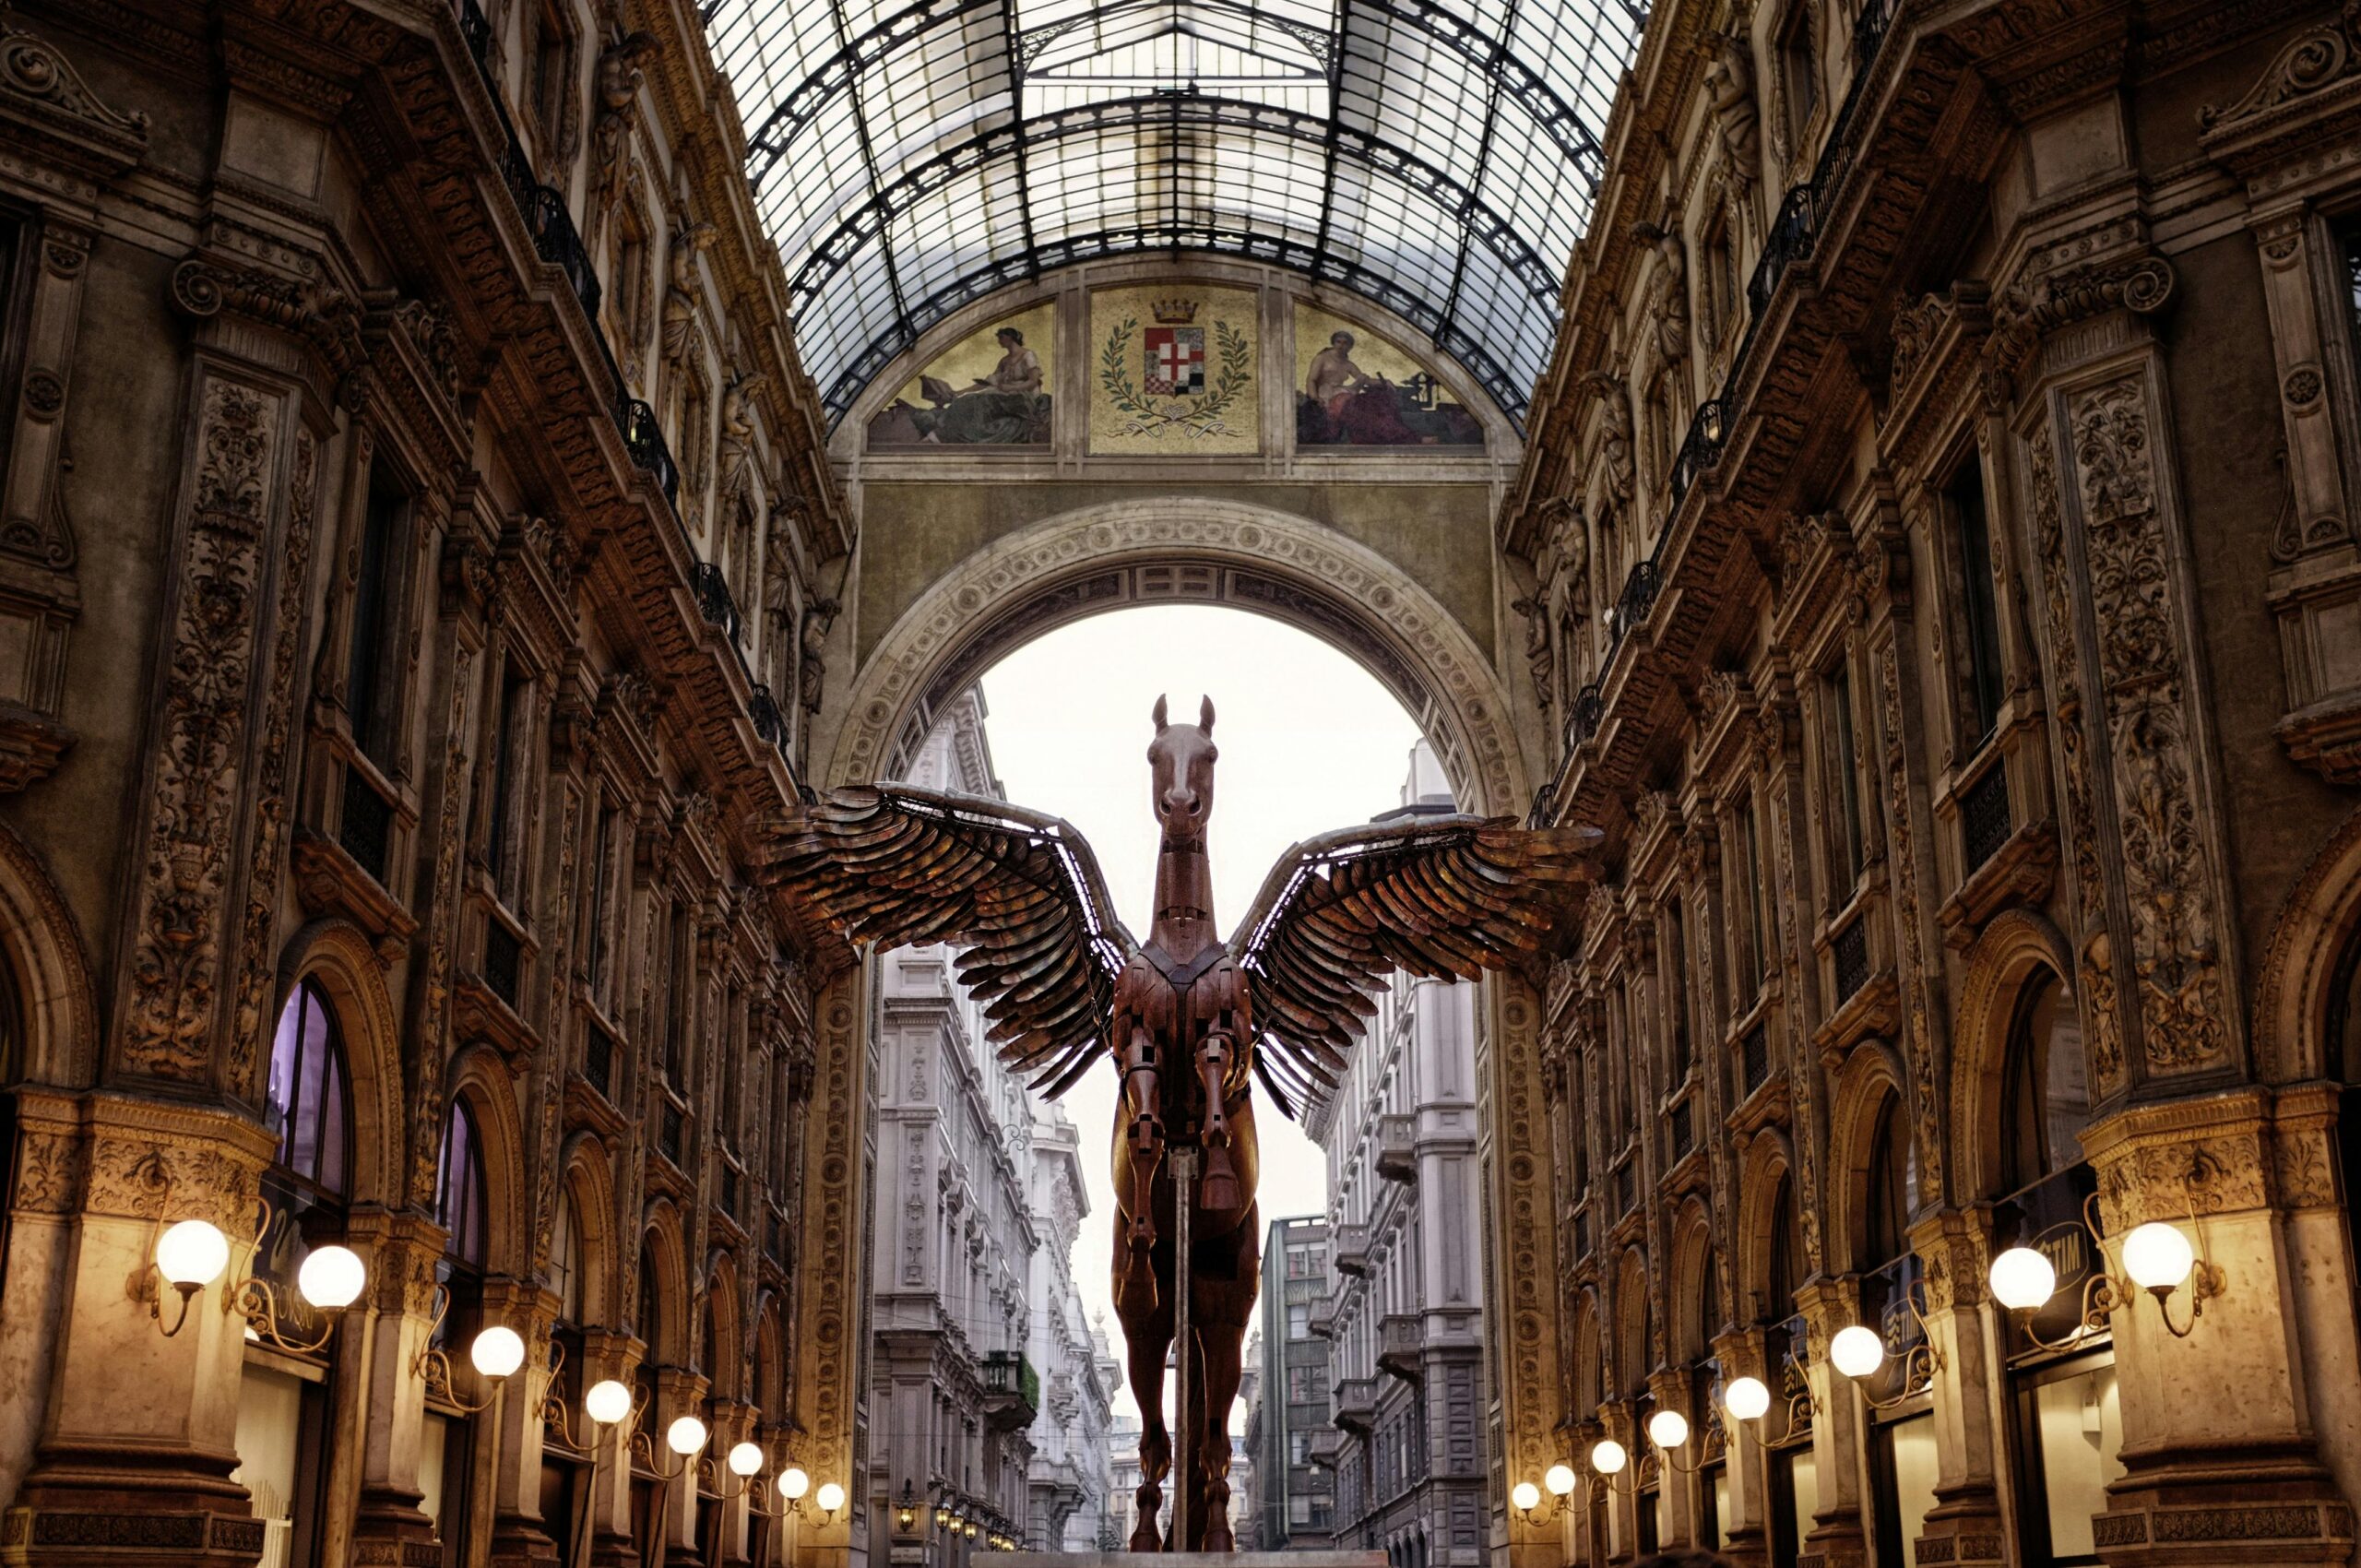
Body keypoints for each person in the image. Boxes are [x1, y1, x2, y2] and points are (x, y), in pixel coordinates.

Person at [1305, 329, 1375, 418]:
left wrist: (1384, 381)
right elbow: (1311, 380)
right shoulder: (1322, 358)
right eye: (1338, 342)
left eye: (1345, 343)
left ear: (1349, 347)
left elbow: (1365, 380)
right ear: (1333, 343)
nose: (1341, 346)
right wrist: (1315, 398)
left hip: (1338, 393)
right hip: (1322, 393)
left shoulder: (1348, 364)